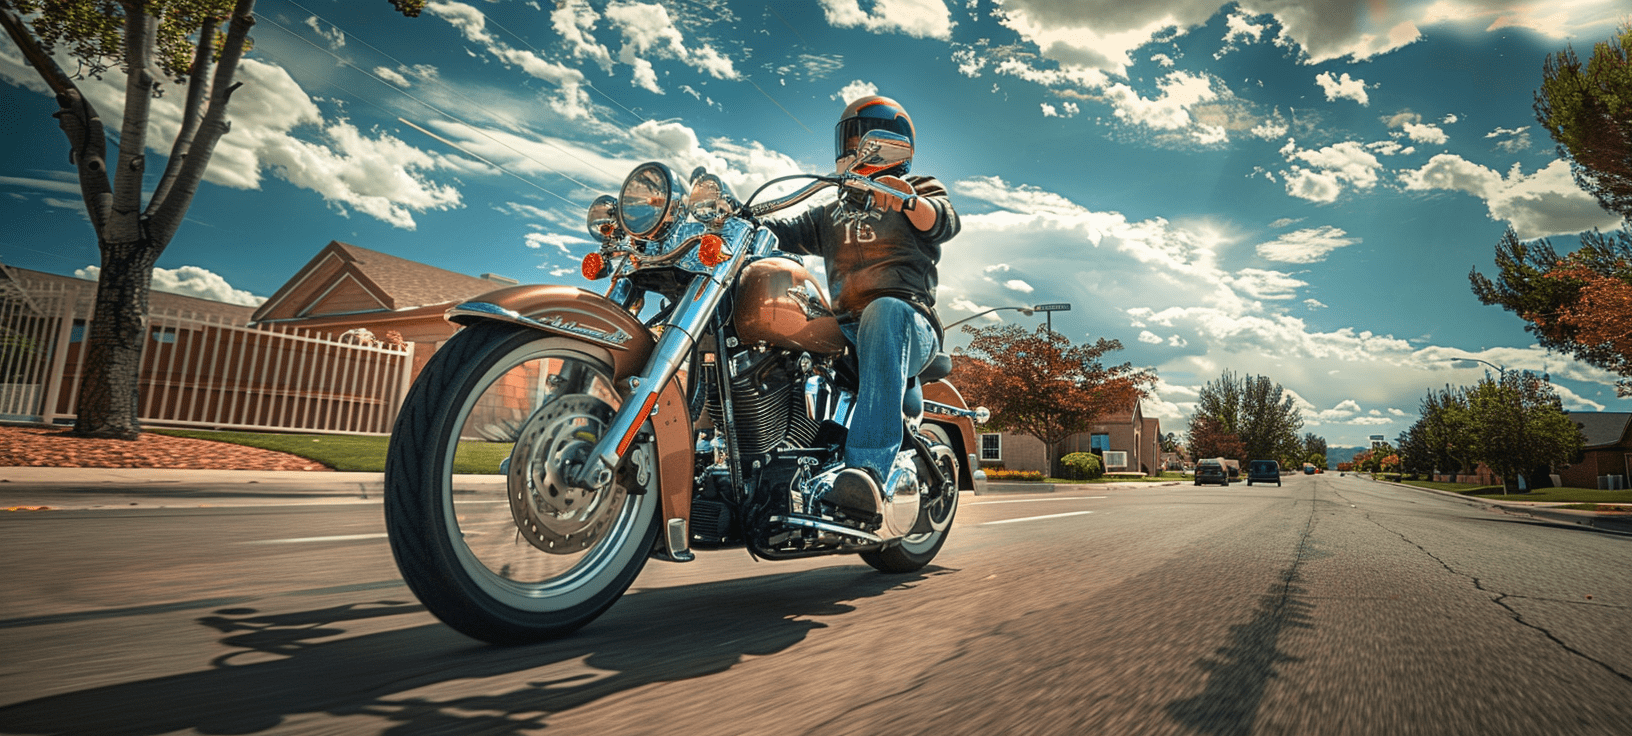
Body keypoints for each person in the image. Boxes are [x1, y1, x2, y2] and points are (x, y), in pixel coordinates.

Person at [763, 95, 960, 518]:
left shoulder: (916, 190)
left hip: (908, 321)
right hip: (845, 328)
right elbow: (781, 230)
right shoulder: (830, 213)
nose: (855, 147)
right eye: (850, 137)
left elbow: (941, 220)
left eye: (868, 137)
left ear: (896, 143)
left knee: (883, 311)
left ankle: (867, 474)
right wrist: (737, 221)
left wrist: (905, 200)